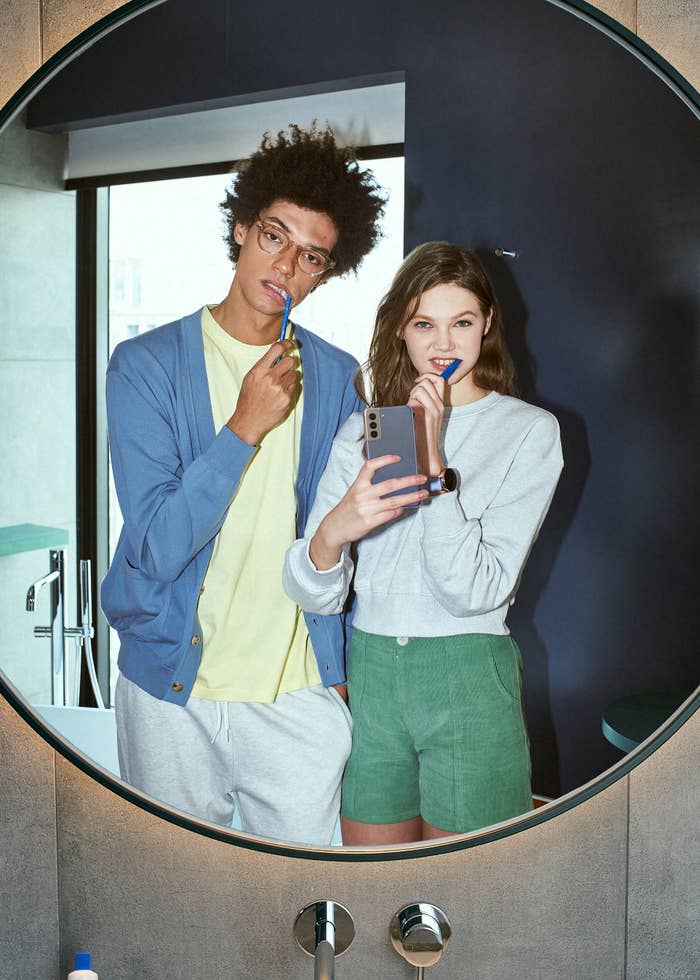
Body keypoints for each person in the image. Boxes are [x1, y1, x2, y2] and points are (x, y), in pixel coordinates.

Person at [101, 124, 385, 845]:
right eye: (274, 237)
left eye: (310, 256)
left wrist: (340, 669)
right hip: (174, 690)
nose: (286, 264)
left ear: (324, 273)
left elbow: (345, 542)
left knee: (294, 913)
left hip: (297, 693)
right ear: (240, 229)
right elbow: (160, 543)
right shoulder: (144, 366)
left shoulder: (336, 376)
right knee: (174, 897)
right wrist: (244, 428)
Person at [283, 242, 563, 844]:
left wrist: (433, 465)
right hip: (375, 677)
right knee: (374, 891)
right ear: (401, 332)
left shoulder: (529, 433)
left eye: (461, 322)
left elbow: (475, 592)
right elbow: (311, 592)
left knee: (468, 901)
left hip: (467, 676)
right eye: (424, 324)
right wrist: (335, 529)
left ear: (486, 324)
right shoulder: (366, 430)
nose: (443, 344)